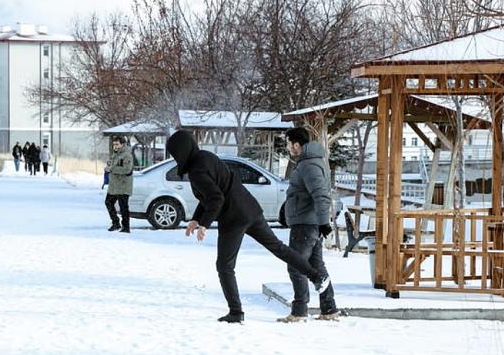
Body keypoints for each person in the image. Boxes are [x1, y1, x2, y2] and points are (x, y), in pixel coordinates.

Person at [165, 129, 329, 323]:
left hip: (233, 218)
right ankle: (316, 276)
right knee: (278, 248)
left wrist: (204, 225)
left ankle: (235, 312)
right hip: (250, 209)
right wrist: (197, 219)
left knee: (224, 266)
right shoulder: (206, 157)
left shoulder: (197, 170)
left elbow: (215, 198)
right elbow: (212, 193)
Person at [281, 127, 339, 322]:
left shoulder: (309, 165)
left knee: (295, 266)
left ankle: (299, 311)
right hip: (308, 223)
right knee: (316, 266)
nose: (287, 147)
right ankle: (329, 310)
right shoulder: (310, 162)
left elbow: (321, 195)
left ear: (297, 144)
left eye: (288, 143)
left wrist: (324, 223)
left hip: (306, 225)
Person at [104, 136, 133, 233]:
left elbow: (127, 169)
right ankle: (115, 222)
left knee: (123, 206)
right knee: (108, 202)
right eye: (114, 144)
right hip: (114, 185)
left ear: (122, 144)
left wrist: (112, 169)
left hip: (123, 185)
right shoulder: (115, 154)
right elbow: (112, 165)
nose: (115, 146)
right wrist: (108, 166)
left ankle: (126, 227)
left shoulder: (127, 155)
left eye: (117, 144)